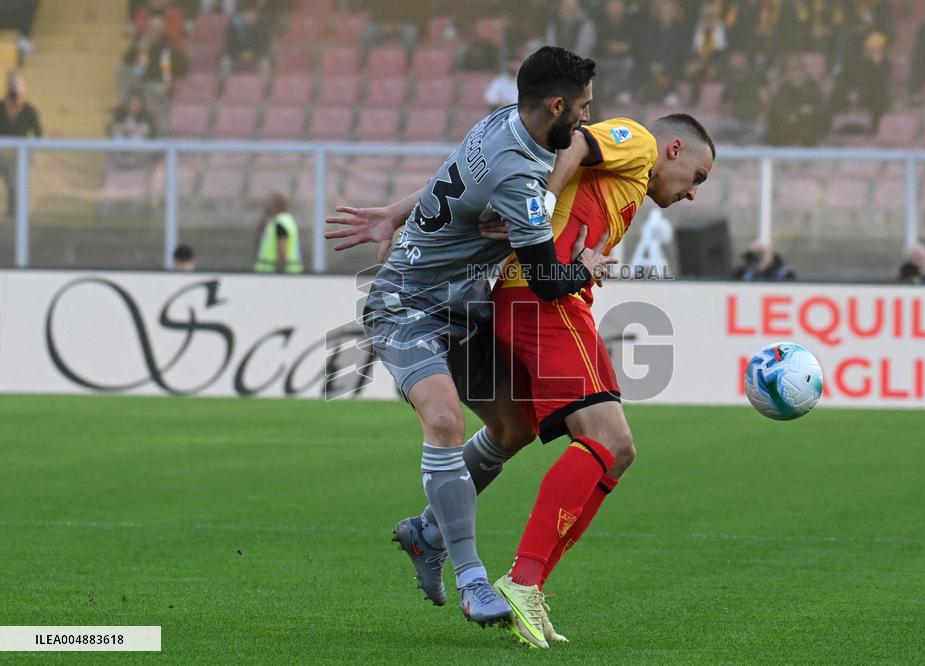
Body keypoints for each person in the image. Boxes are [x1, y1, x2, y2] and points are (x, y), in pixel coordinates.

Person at [325, 46, 613, 629]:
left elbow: (448, 178)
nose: (585, 120)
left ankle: (427, 533)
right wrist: (587, 265)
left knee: (514, 428)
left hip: (461, 309)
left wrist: (395, 214)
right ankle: (474, 582)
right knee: (446, 422)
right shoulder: (522, 177)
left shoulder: (502, 124)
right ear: (555, 105)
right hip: (403, 307)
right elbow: (550, 283)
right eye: (582, 108)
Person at [485, 113, 715, 648]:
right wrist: (539, 207)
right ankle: (522, 579)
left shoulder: (627, 181)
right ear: (674, 148)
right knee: (606, 441)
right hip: (545, 303)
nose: (692, 194)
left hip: (555, 299)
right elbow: (578, 143)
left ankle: (530, 584)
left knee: (620, 450)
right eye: (697, 177)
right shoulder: (638, 141)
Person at [0, 71, 42, 220]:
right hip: (1, 152)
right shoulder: (1, 107)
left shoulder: (29, 110)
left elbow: (38, 133)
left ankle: (14, 214)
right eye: (11, 84)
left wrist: (33, 152)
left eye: (16, 84)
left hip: (17, 154)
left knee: (14, 184)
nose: (13, 88)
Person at [765, 56, 829, 146]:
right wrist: (795, 113)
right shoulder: (783, 89)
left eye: (797, 69)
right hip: (786, 127)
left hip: (807, 128)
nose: (794, 73)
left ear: (803, 71)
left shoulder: (813, 89)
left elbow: (818, 109)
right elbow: (778, 108)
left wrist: (797, 114)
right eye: (792, 70)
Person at [253, 191, 303, 273]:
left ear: (275, 205)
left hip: (274, 272)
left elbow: (282, 248)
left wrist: (280, 272)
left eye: (268, 202)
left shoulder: (280, 223)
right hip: (282, 271)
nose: (266, 206)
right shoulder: (285, 220)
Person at [222, 1, 271, 77]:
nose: (249, 16)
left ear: (256, 16)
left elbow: (264, 46)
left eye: (252, 14)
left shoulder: (262, 29)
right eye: (247, 14)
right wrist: (240, 54)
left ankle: (267, 88)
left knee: (266, 62)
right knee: (225, 61)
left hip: (256, 58)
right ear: (242, 15)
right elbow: (229, 46)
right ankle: (223, 87)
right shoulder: (234, 27)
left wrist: (253, 54)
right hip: (237, 57)